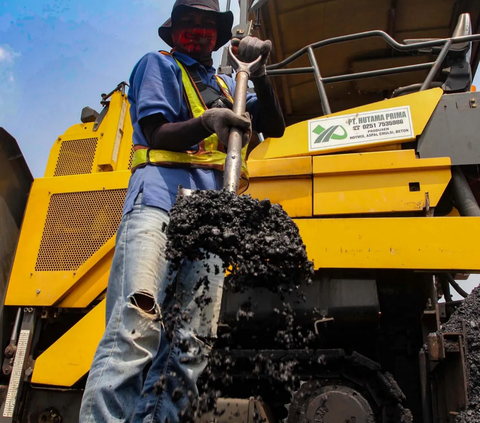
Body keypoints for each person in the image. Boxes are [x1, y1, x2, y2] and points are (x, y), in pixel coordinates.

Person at [79, 0, 285, 421]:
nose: (196, 30)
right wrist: (208, 122)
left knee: (189, 348)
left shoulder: (231, 84)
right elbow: (156, 130)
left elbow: (277, 126)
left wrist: (259, 74)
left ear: (216, 36)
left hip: (210, 223)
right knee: (137, 330)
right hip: (159, 205)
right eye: (187, 23)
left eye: (205, 25)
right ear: (172, 31)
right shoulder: (158, 65)